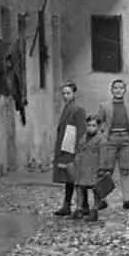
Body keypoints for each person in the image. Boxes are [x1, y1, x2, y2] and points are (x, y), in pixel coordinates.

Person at [100, 77, 129, 209]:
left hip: (125, 139)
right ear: (111, 90)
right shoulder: (105, 106)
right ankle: (102, 198)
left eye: (121, 88)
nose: (118, 90)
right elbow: (97, 121)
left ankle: (127, 199)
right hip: (110, 139)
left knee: (125, 170)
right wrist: (103, 136)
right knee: (107, 170)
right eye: (116, 88)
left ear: (125, 90)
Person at [52, 80, 86, 218]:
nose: (66, 96)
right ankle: (67, 205)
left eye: (68, 93)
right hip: (65, 146)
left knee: (76, 177)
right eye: (64, 93)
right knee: (69, 178)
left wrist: (79, 149)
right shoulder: (67, 108)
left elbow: (81, 130)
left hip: (72, 147)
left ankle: (83, 206)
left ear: (74, 93)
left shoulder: (78, 109)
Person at [72, 112, 107, 220]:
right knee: (79, 187)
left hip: (93, 168)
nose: (90, 128)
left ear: (99, 126)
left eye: (93, 126)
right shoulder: (83, 138)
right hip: (81, 168)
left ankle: (95, 210)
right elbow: (78, 150)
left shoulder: (101, 140)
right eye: (89, 125)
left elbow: (103, 155)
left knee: (96, 189)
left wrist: (102, 168)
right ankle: (80, 208)